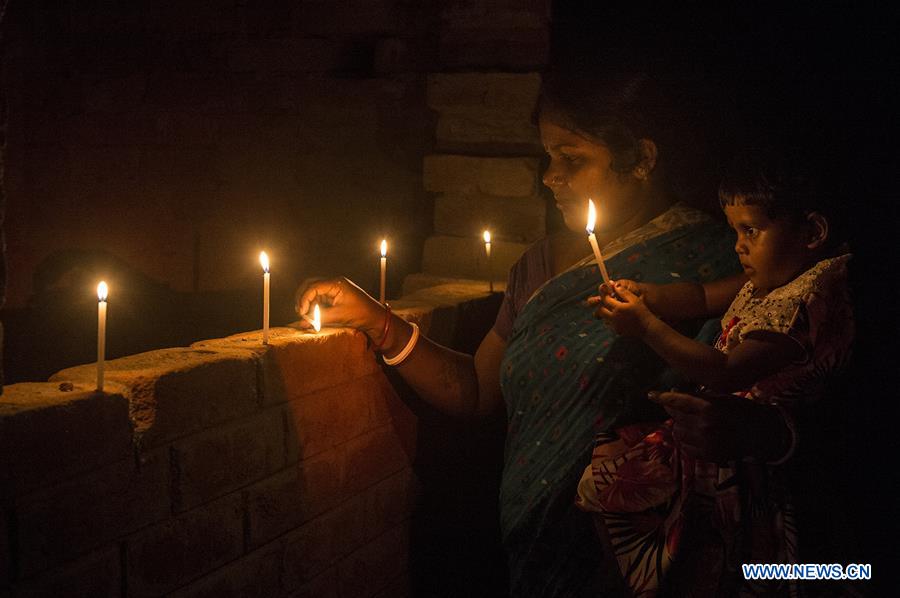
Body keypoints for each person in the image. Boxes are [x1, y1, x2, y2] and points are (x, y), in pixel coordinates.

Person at [295, 71, 740, 597]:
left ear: (641, 158)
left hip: (653, 549)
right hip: (541, 538)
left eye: (572, 159)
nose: (551, 177)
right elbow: (478, 392)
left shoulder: (725, 261)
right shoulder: (543, 264)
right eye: (549, 157)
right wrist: (380, 323)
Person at [578, 151, 855, 596]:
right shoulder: (775, 279)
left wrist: (646, 326)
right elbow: (703, 296)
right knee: (610, 468)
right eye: (735, 231)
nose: (738, 246)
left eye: (751, 230)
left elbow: (727, 372)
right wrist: (648, 296)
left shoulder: (807, 299)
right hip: (734, 442)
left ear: (813, 232)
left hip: (760, 469)